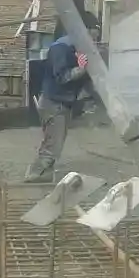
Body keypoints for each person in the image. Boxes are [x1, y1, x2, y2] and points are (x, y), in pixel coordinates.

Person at [24, 33, 91, 183]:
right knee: (53, 144)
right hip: (54, 103)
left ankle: (44, 174)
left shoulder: (71, 48)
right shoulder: (61, 48)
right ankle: (34, 174)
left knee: (53, 142)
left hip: (59, 103)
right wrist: (81, 69)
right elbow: (62, 76)